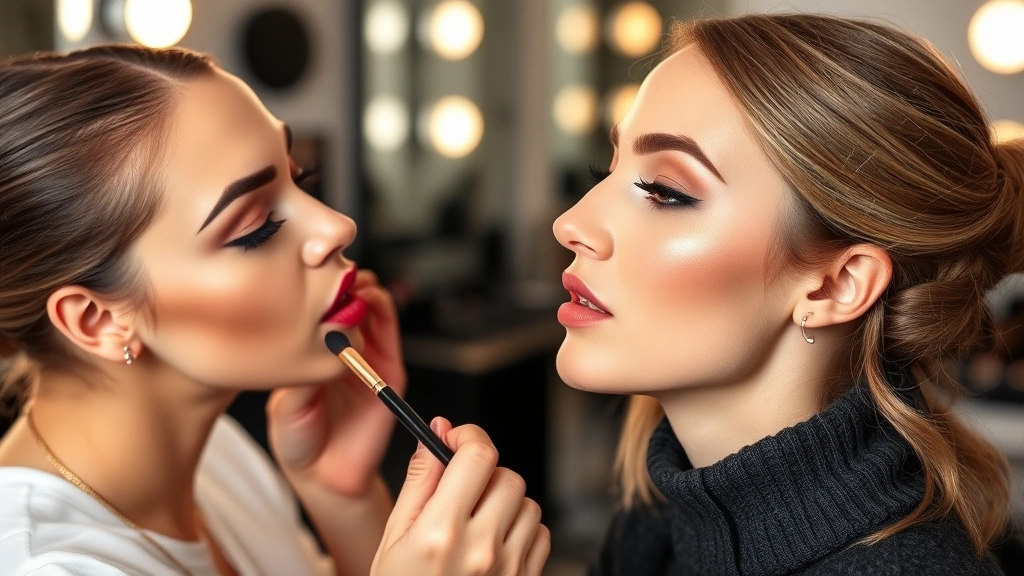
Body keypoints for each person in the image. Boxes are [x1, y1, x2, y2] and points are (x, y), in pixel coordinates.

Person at [0, 45, 549, 575]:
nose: (337, 227)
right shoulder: (49, 566)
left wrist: (344, 498)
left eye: (299, 177)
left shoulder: (222, 459)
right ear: (95, 320)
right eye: (256, 228)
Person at [552, 13, 1024, 575]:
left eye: (664, 191)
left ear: (837, 284)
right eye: (606, 170)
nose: (571, 222)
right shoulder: (658, 518)